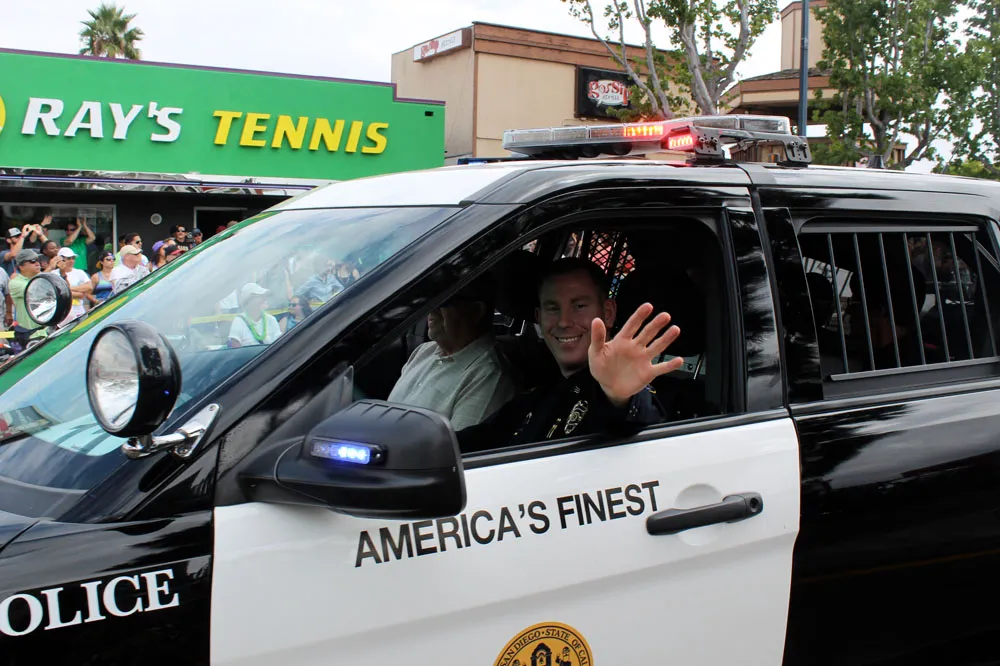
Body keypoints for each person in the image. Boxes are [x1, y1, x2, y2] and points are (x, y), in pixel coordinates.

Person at [457, 258, 683, 454]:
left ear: (608, 313)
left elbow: (635, 425)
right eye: (552, 308)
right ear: (539, 317)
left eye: (579, 306)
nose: (564, 322)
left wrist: (620, 396)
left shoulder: (619, 389)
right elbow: (472, 442)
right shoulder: (538, 393)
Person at [387, 275, 516, 430]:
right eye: (431, 300)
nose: (431, 308)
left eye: (443, 301)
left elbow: (460, 444)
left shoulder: (489, 377)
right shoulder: (424, 351)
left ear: (476, 311)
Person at [8, 250, 43, 349]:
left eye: (38, 260)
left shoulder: (42, 277)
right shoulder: (15, 283)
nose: (37, 263)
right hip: (29, 333)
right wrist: (50, 268)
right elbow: (35, 289)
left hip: (45, 329)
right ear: (21, 266)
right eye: (32, 261)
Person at [228, 283, 281, 348]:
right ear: (248, 301)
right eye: (260, 296)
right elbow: (235, 349)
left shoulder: (271, 319)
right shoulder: (239, 321)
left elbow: (279, 345)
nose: (264, 298)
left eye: (264, 295)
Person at [51, 247, 93, 323]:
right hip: (61, 314)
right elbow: (57, 293)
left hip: (79, 312)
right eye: (68, 258)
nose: (71, 261)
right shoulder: (53, 274)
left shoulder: (80, 272)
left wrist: (69, 288)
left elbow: (89, 287)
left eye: (73, 258)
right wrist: (78, 292)